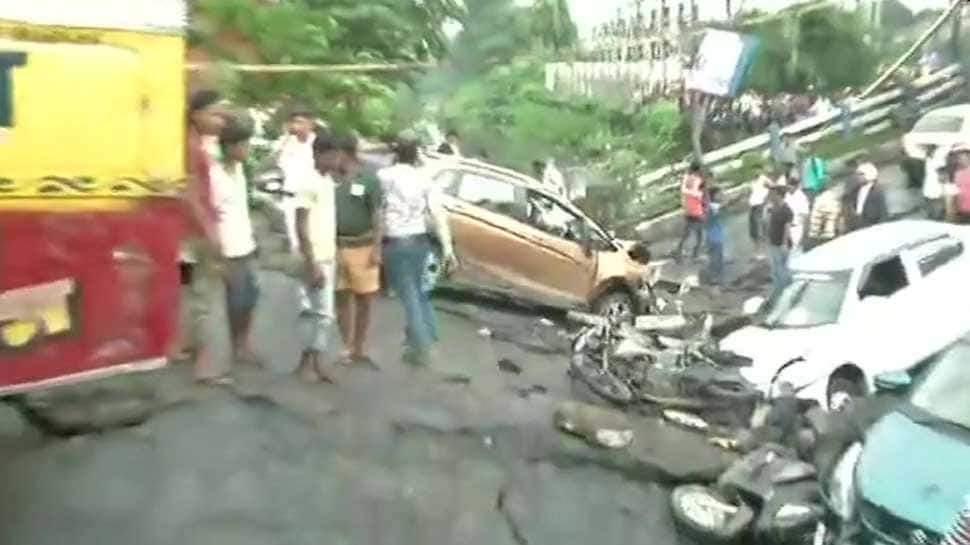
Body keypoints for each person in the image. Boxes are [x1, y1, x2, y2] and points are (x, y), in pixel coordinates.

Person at [378, 130, 456, 366]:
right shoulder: (425, 179)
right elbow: (438, 214)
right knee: (419, 292)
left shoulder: (384, 176)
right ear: (416, 152)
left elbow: (377, 210)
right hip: (419, 242)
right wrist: (448, 248)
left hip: (395, 242)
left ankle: (423, 348)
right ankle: (426, 339)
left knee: (408, 295)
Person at [182, 89, 229, 385]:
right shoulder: (189, 147)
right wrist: (210, 233)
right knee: (207, 297)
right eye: (216, 113)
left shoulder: (195, 143)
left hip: (196, 228)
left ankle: (187, 348)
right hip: (199, 230)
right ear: (196, 114)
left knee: (195, 296)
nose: (222, 120)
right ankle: (205, 367)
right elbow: (189, 193)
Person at [211, 113, 261, 368]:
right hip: (229, 248)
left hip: (246, 244)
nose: (247, 149)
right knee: (237, 300)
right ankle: (236, 346)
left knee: (251, 296)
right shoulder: (215, 175)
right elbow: (212, 215)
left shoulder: (240, 171)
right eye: (243, 144)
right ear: (230, 147)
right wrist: (217, 252)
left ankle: (243, 344)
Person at [294, 129, 340, 383]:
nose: (335, 161)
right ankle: (307, 362)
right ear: (319, 154)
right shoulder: (307, 182)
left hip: (326, 254)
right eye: (331, 155)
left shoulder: (327, 182)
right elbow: (301, 224)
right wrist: (311, 262)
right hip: (313, 257)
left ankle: (316, 359)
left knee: (323, 313)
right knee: (312, 310)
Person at [333, 135, 382, 366]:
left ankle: (359, 346)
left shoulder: (369, 179)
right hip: (336, 245)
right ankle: (347, 344)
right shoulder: (331, 178)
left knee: (364, 300)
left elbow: (377, 214)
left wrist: (377, 248)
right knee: (340, 297)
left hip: (363, 246)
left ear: (346, 153)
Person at [274, 107, 317, 251]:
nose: (296, 126)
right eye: (294, 122)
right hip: (290, 197)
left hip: (312, 199)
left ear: (311, 124)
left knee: (313, 237)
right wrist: (285, 139)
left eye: (301, 122)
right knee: (295, 238)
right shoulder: (286, 143)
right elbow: (274, 163)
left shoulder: (318, 144)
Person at [675, 161, 706, 262]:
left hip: (688, 209)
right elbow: (695, 192)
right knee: (700, 234)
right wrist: (700, 195)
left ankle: (679, 252)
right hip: (696, 209)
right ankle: (696, 255)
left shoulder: (686, 177)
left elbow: (684, 191)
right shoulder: (697, 179)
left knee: (686, 233)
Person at [766, 186, 793, 297]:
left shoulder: (786, 210)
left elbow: (787, 228)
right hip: (773, 242)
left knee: (782, 269)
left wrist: (784, 243)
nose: (770, 196)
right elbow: (768, 224)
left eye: (772, 194)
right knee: (775, 269)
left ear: (778, 195)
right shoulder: (773, 208)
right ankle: (778, 291)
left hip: (780, 244)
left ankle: (785, 291)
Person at [846, 162, 888, 232]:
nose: (858, 177)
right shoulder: (855, 191)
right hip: (859, 226)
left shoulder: (877, 191)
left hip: (873, 226)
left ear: (870, 175)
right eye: (857, 174)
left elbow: (883, 212)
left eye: (861, 174)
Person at [705, 186, 726, 287]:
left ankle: (716, 278)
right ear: (714, 196)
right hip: (714, 238)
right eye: (719, 194)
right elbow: (723, 207)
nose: (721, 195)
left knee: (716, 258)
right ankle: (714, 279)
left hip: (714, 236)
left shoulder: (710, 206)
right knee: (716, 258)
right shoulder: (712, 206)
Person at [785, 177, 810, 257]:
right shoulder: (787, 196)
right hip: (787, 227)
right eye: (788, 185)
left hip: (797, 228)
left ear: (795, 186)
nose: (789, 187)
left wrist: (804, 234)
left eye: (791, 186)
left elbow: (805, 215)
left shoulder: (801, 197)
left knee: (797, 254)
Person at [923, 145, 949, 221]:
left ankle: (934, 218)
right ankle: (938, 218)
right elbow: (942, 174)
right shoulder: (939, 156)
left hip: (929, 187)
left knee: (932, 207)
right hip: (936, 188)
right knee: (938, 207)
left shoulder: (929, 158)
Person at [748, 172, 770, 247]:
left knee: (763, 221)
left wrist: (766, 200)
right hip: (754, 205)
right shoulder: (752, 182)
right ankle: (760, 241)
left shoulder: (764, 179)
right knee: (756, 224)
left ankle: (765, 239)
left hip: (761, 204)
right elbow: (752, 193)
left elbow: (771, 188)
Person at [953, 146, 970, 224]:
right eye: (959, 158)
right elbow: (956, 193)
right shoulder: (957, 174)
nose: (960, 160)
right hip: (962, 211)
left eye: (962, 158)